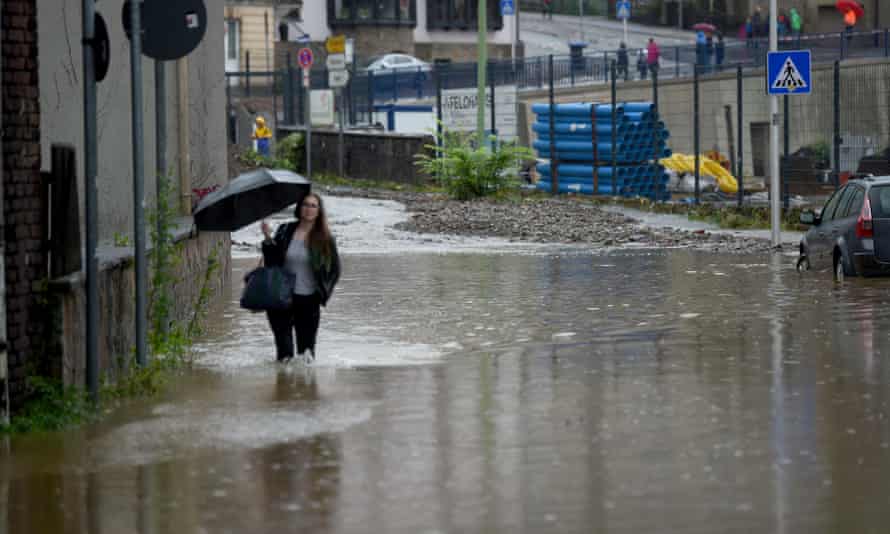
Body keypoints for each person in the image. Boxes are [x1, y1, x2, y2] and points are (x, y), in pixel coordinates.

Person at [261, 193, 341, 362]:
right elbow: (272, 261)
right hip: (281, 298)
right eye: (305, 204)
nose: (309, 209)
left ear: (319, 211)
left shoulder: (325, 239)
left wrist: (323, 293)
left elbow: (335, 270)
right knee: (284, 354)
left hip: (309, 300)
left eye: (313, 206)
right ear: (299, 208)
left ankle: (307, 388)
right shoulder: (285, 229)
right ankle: (284, 387)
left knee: (307, 355)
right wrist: (268, 238)